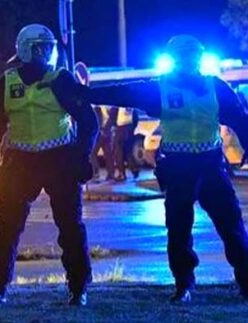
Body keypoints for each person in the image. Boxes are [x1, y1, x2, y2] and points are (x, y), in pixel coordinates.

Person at [80, 35, 248, 303]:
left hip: (211, 166)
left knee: (232, 227)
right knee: (179, 229)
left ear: (197, 59)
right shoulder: (161, 88)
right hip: (179, 167)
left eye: (191, 58)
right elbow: (122, 92)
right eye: (183, 58)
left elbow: (241, 120)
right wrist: (86, 93)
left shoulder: (215, 87)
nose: (187, 63)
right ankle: (183, 286)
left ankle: (245, 282)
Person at [0, 24, 97, 306]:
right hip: (20, 161)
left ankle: (79, 288)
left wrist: (82, 156)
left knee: (70, 226)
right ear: (26, 49)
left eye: (49, 47)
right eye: (41, 48)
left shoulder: (62, 79)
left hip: (60, 158)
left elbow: (88, 121)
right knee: (7, 227)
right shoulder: (5, 82)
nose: (47, 53)